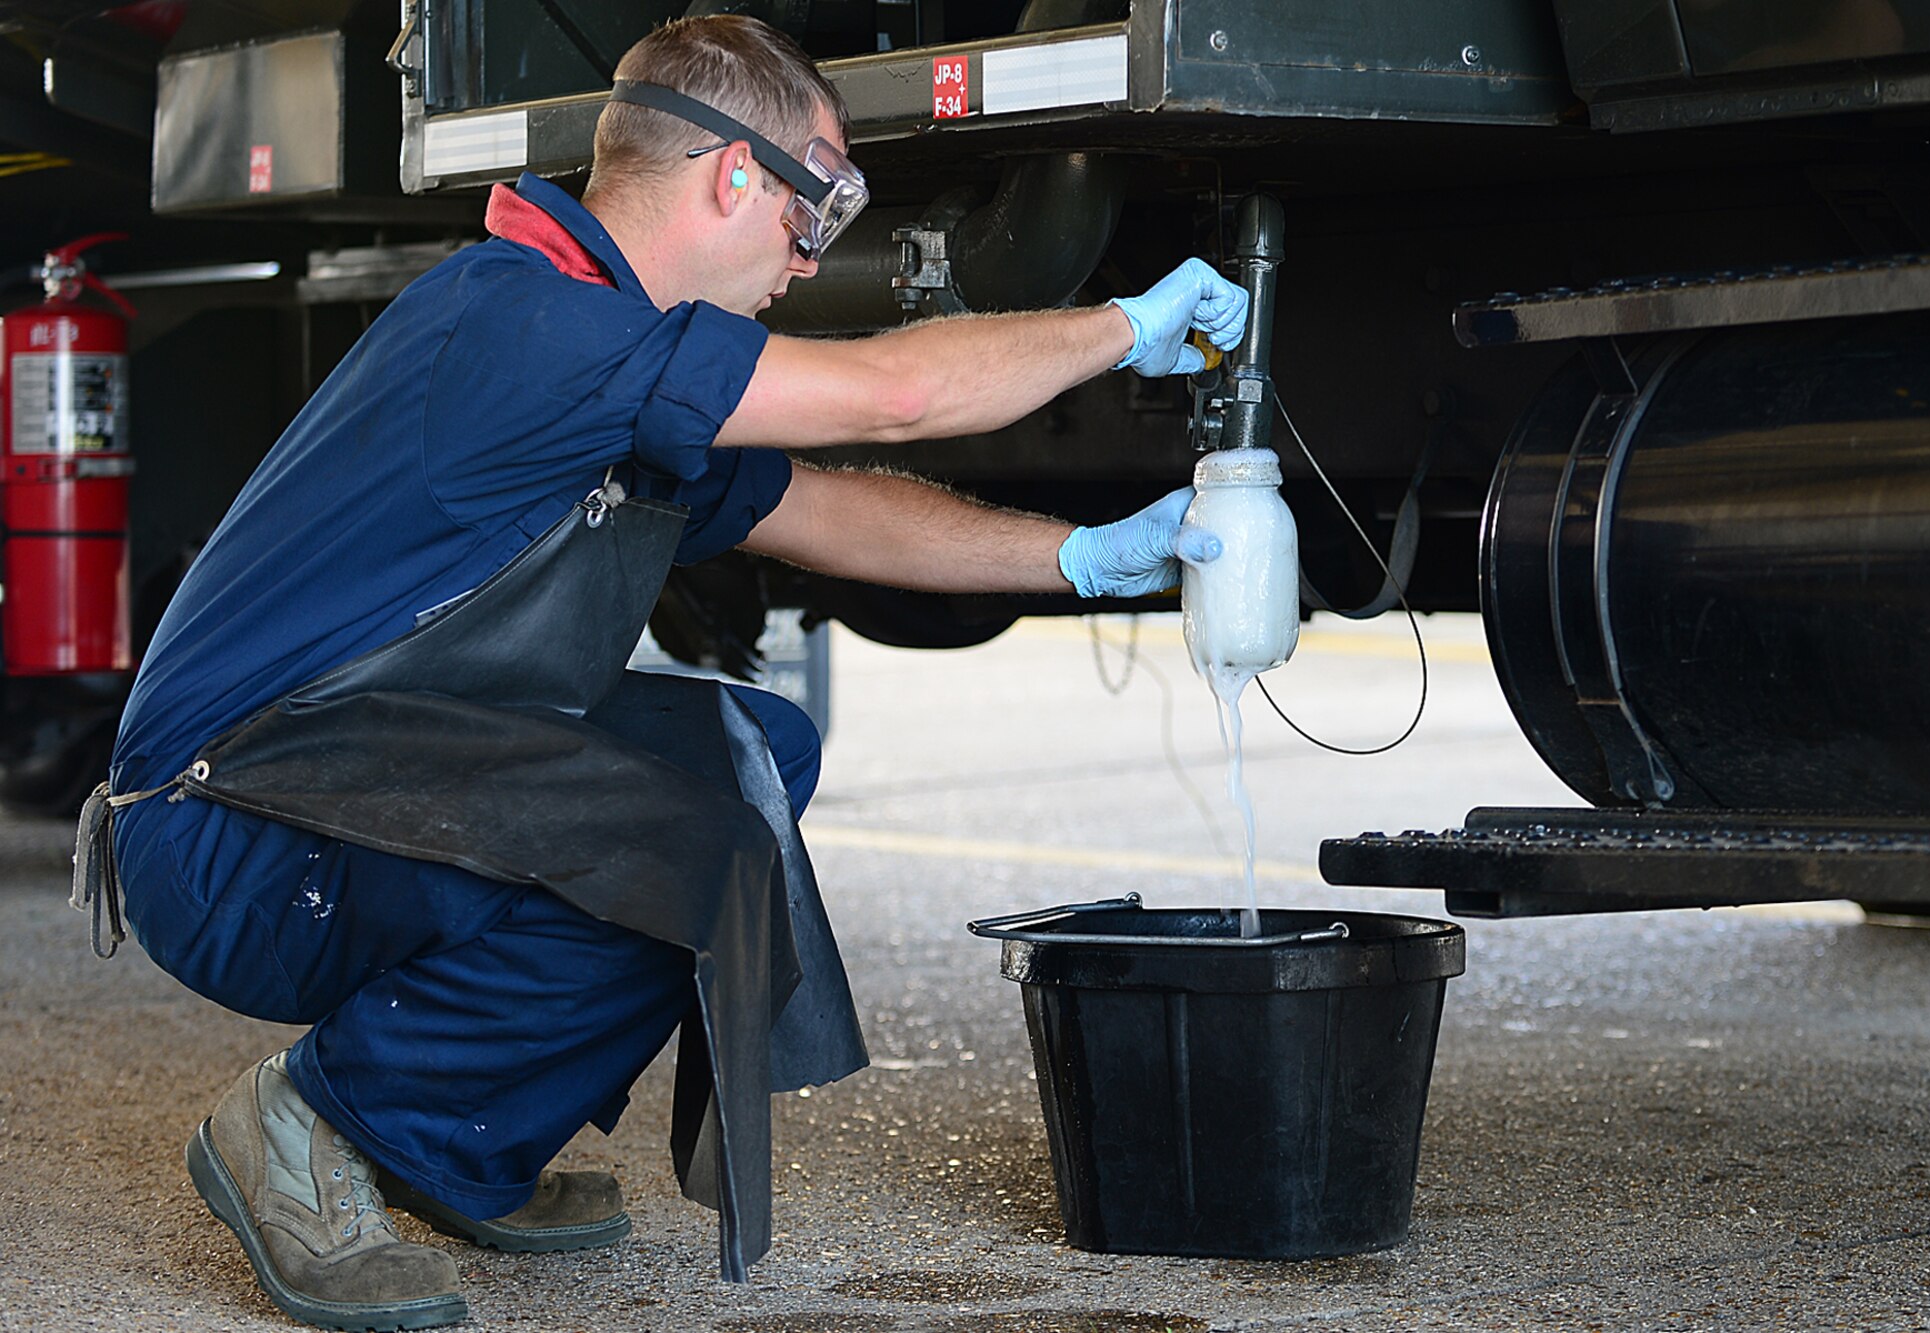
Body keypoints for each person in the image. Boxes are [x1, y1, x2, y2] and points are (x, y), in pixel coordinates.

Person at [92, 14, 1246, 1331]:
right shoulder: (531, 327)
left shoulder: (611, 352)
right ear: (732, 178)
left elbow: (828, 507)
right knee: (669, 830)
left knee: (752, 760)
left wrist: (1089, 557)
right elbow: (899, 397)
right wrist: (1120, 328)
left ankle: (447, 1138)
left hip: (343, 776)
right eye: (811, 218)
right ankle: (305, 1128)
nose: (808, 266)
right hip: (222, 828)